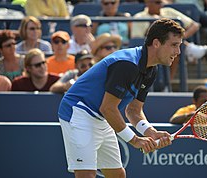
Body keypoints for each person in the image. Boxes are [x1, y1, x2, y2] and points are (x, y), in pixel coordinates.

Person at [58, 18, 182, 178]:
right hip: (79, 112)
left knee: (117, 175)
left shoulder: (151, 70)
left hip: (101, 117)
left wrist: (150, 132)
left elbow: (134, 110)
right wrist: (135, 140)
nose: (178, 52)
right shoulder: (127, 64)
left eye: (179, 46)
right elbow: (108, 108)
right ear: (156, 43)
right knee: (86, 174)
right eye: (174, 45)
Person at [131, 0, 207, 63]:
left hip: (167, 46)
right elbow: (137, 39)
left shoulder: (169, 11)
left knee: (173, 47)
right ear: (147, 2)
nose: (160, 5)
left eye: (161, 2)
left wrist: (180, 38)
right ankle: (188, 50)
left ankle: (187, 49)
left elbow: (195, 25)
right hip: (153, 48)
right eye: (157, 2)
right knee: (172, 47)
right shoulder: (139, 17)